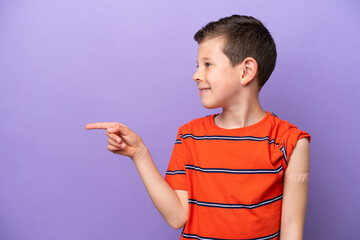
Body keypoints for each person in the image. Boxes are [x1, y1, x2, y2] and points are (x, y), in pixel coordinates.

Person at [86, 15, 311, 240]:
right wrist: (139, 154)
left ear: (246, 71)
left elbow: (291, 231)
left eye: (208, 65)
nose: (196, 75)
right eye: (197, 66)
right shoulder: (189, 136)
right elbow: (177, 217)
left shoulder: (290, 142)